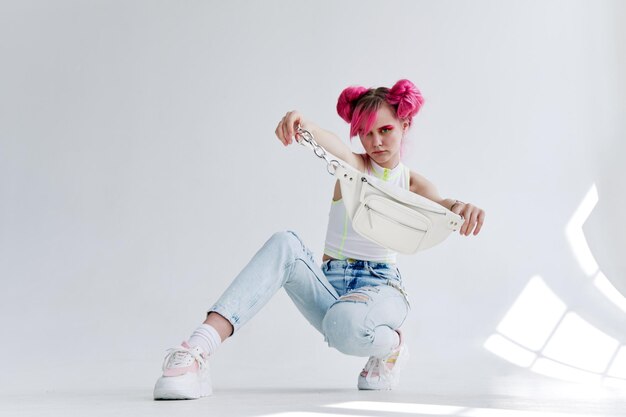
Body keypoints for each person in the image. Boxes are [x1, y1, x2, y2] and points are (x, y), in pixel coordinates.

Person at [153, 79, 485, 400]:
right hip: (331, 286)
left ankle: (392, 345)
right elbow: (332, 144)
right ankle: (196, 350)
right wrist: (304, 124)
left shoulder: (413, 184)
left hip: (383, 289)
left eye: (385, 130)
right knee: (286, 243)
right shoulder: (354, 168)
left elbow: (444, 207)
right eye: (366, 134)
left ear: (405, 126)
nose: (376, 142)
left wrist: (462, 208)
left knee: (344, 323)